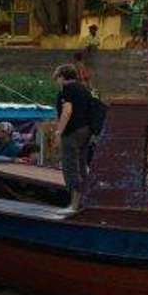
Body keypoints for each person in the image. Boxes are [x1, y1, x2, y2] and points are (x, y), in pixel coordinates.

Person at [51, 63, 101, 210]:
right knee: (81, 165)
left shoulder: (68, 89)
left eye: (57, 77)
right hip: (85, 131)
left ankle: (74, 205)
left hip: (72, 132)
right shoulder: (84, 89)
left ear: (62, 77)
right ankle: (85, 201)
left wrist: (59, 132)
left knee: (70, 167)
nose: (57, 81)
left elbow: (67, 110)